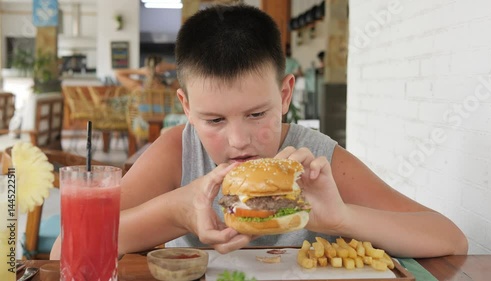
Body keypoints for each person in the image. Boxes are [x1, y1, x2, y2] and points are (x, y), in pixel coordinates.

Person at [51, 4, 467, 259]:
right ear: (187, 109)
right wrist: (179, 209)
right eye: (214, 120)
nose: (238, 141)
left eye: (256, 114)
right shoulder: (178, 151)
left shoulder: (313, 158)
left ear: (285, 95)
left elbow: (450, 239)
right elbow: (64, 249)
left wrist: (342, 218)